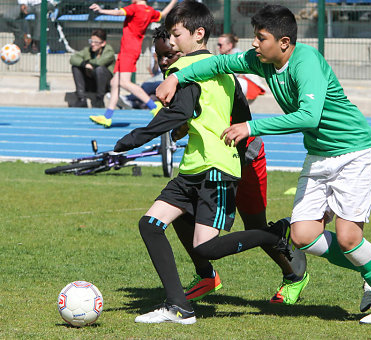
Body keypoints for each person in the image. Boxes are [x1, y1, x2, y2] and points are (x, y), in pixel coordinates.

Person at [156, 4, 371, 325]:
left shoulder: (307, 63)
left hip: (354, 152)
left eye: (260, 38)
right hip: (319, 155)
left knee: (348, 238)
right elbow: (219, 62)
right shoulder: (262, 59)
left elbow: (309, 116)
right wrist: (176, 77)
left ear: (284, 42)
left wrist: (251, 127)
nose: (253, 44)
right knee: (303, 235)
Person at [113, 1, 292, 324]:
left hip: (215, 168)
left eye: (176, 34)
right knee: (150, 225)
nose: (171, 41)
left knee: (206, 248)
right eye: (169, 35)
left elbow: (180, 112)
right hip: (194, 166)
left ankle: (273, 235)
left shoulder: (183, 68)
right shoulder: (220, 66)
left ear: (198, 34)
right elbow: (233, 112)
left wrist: (131, 140)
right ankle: (178, 306)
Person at [88, 0, 178, 128]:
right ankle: (107, 117)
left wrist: (101, 11)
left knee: (124, 82)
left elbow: (118, 12)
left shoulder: (135, 8)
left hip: (128, 50)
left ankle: (153, 106)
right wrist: (173, 1)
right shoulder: (149, 11)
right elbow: (163, 14)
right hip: (132, 49)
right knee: (115, 82)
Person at [69, 29, 115, 108]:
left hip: (104, 85)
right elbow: (73, 58)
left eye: (96, 42)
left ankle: (99, 99)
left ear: (103, 43)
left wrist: (88, 63)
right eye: (91, 41)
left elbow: (99, 62)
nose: (92, 44)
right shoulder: (88, 50)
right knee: (76, 66)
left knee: (100, 69)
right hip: (91, 82)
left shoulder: (109, 52)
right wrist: (84, 64)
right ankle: (81, 98)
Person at [217, 33, 266, 103]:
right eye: (218, 45)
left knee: (224, 84)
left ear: (230, 45)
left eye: (220, 45)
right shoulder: (222, 56)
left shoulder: (237, 55)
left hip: (251, 86)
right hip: (241, 85)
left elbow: (236, 75)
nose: (218, 47)